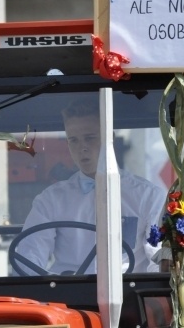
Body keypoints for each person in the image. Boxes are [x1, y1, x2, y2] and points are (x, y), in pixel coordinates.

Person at [19, 100, 166, 274]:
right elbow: (28, 257)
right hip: (67, 294)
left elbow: (157, 258)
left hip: (129, 293)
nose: (82, 148)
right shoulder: (50, 200)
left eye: (90, 138)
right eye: (73, 140)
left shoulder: (148, 196)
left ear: (109, 139)